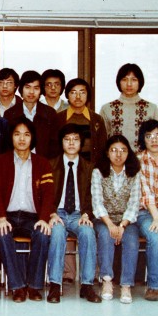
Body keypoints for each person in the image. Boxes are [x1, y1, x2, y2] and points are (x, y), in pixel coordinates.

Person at [0, 117, 54, 303]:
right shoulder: (1, 161)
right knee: (2, 234)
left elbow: (49, 193)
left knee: (43, 234)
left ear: (32, 138)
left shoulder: (42, 163)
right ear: (11, 137)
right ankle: (17, 286)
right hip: (8, 216)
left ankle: (34, 286)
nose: (21, 139)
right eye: (17, 134)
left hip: (32, 217)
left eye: (26, 134)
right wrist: (1, 217)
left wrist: (43, 218)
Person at [46, 123, 101, 303]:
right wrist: (51, 213)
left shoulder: (90, 167)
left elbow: (95, 195)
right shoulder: (50, 165)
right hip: (57, 213)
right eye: (67, 139)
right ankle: (55, 284)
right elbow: (43, 194)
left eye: (75, 139)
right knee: (57, 232)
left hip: (79, 214)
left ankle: (87, 285)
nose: (71, 143)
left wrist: (87, 214)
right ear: (61, 142)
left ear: (81, 143)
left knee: (87, 232)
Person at [91, 135, 141, 304]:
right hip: (104, 219)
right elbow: (97, 203)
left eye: (123, 150)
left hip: (127, 220)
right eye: (114, 150)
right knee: (106, 235)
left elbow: (134, 203)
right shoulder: (98, 172)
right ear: (107, 153)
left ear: (129, 153)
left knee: (132, 239)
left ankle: (126, 284)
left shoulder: (134, 173)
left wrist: (122, 225)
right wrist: (111, 225)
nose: (118, 154)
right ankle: (107, 281)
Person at [136, 119, 158, 301]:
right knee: (156, 235)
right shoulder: (137, 161)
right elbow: (145, 193)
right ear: (143, 139)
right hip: (146, 213)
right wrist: (157, 217)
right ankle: (154, 286)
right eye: (149, 136)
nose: (154, 140)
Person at [100, 63, 158, 152]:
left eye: (134, 80)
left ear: (140, 82)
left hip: (144, 161)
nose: (129, 84)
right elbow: (102, 140)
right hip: (116, 160)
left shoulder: (152, 109)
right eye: (124, 79)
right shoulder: (107, 109)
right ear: (119, 82)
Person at [3, 70, 58, 159]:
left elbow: (55, 146)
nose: (31, 92)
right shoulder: (10, 114)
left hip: (43, 164)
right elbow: (7, 145)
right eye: (28, 87)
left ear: (41, 90)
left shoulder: (50, 114)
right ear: (21, 89)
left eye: (36, 88)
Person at [53, 78, 107, 164]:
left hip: (91, 168)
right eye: (73, 92)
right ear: (67, 95)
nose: (78, 97)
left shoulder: (97, 119)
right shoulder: (58, 118)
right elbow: (54, 148)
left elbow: (102, 148)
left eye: (82, 92)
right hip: (65, 167)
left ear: (88, 95)